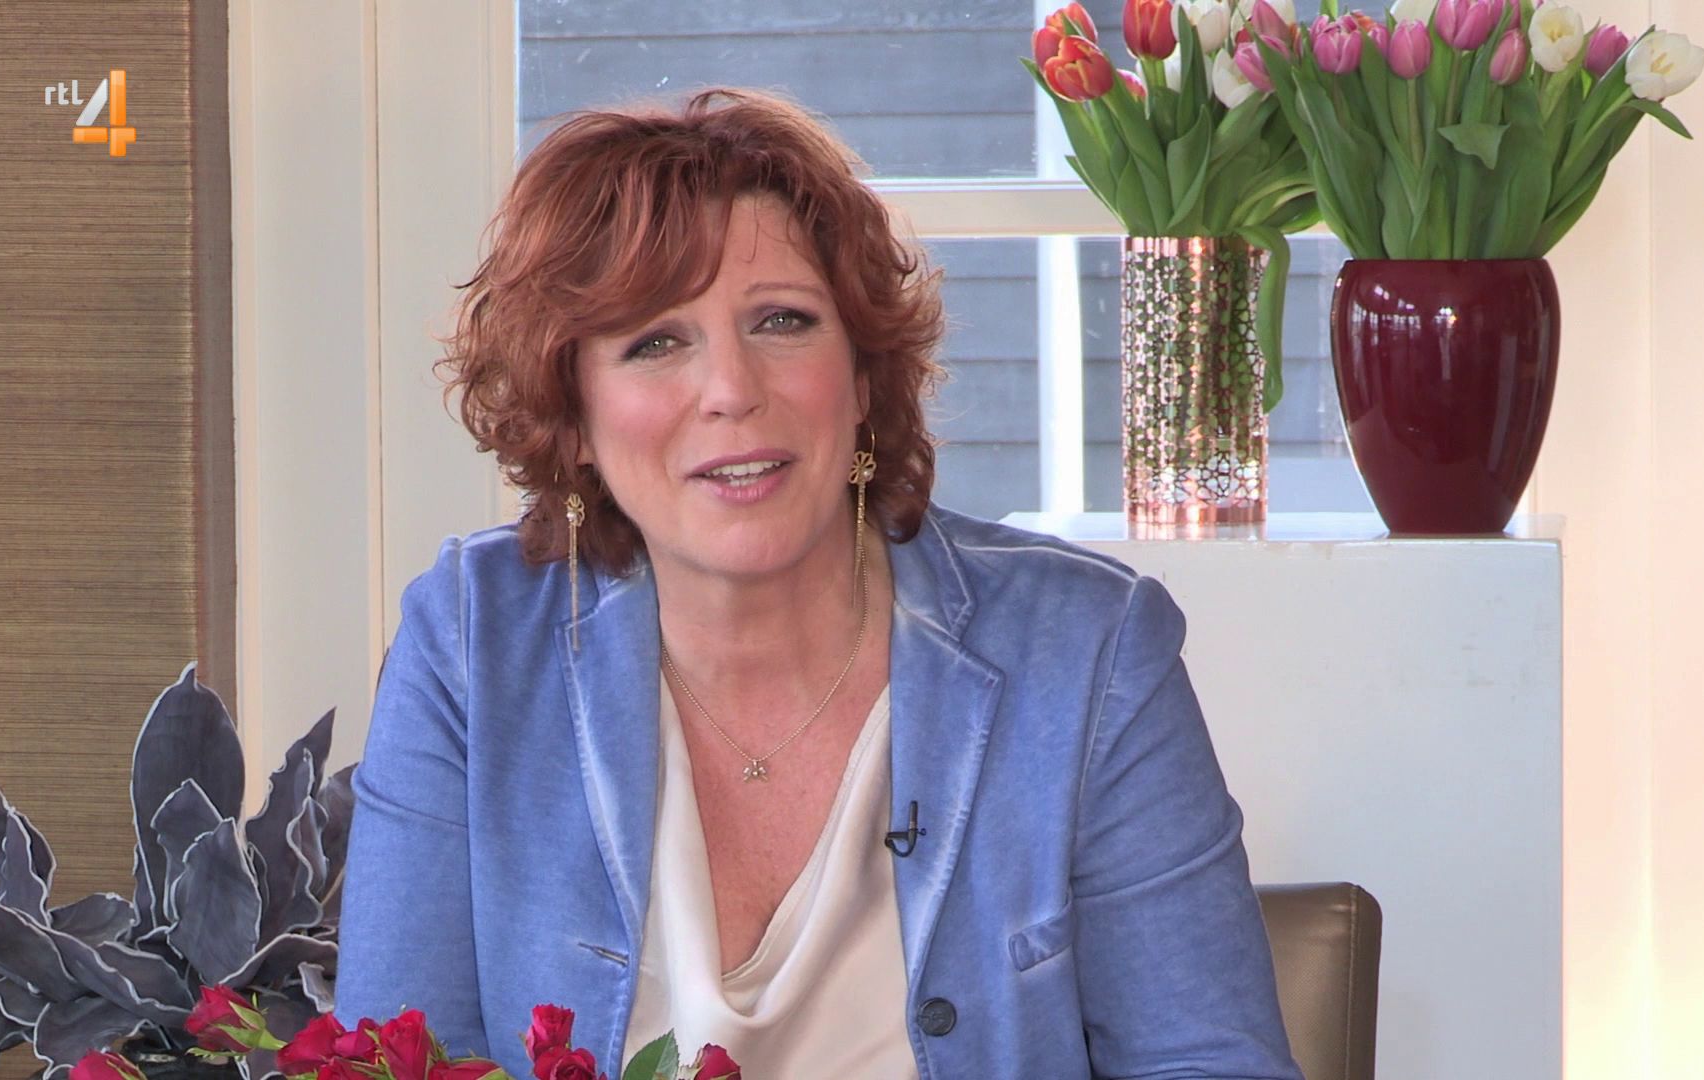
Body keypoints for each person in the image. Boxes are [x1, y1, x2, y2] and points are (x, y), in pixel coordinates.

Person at [332, 86, 1302, 1080]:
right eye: (655, 342)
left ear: (864, 374)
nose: (732, 391)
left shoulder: (1089, 651)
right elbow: (394, 1062)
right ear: (573, 415)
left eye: (783, 321)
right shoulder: (471, 643)